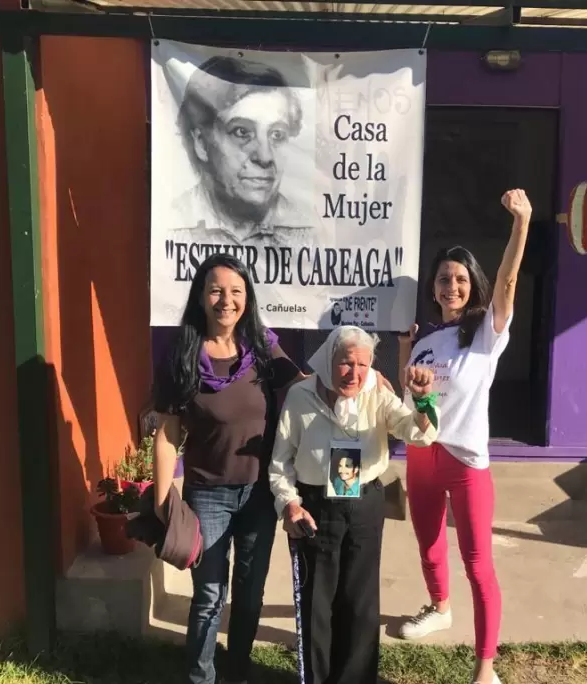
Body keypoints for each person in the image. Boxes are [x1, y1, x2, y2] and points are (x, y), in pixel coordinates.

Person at [396, 189, 533, 684]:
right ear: (432, 290)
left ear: (471, 286)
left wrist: (522, 223)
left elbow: (509, 280)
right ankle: (439, 608)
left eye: (459, 279)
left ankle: (486, 667)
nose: (450, 286)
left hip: (466, 460)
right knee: (428, 545)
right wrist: (406, 355)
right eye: (442, 279)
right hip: (421, 456)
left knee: (478, 564)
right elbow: (411, 401)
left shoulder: (485, 332)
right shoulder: (428, 340)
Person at [151, 253, 304, 684]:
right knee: (209, 596)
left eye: (236, 291)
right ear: (201, 297)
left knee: (250, 594)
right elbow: (167, 435)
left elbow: (305, 387)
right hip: (208, 494)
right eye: (216, 290)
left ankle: (237, 671)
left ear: (247, 298)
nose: (227, 300)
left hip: (259, 493)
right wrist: (164, 501)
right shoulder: (180, 355)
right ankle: (201, 677)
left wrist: (365, 378)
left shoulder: (262, 346)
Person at [268, 326, 439, 684]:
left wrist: (424, 402)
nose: (354, 373)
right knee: (317, 602)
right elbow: (280, 463)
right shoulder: (300, 396)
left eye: (363, 365)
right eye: (346, 363)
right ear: (328, 359)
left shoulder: (376, 390)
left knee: (360, 603)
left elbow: (418, 433)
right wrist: (290, 505)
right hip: (314, 508)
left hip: (364, 504)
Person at [172, 55, 318, 249]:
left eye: (277, 135)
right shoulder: (172, 222)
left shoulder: (310, 232)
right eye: (242, 132)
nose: (264, 157)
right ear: (201, 143)